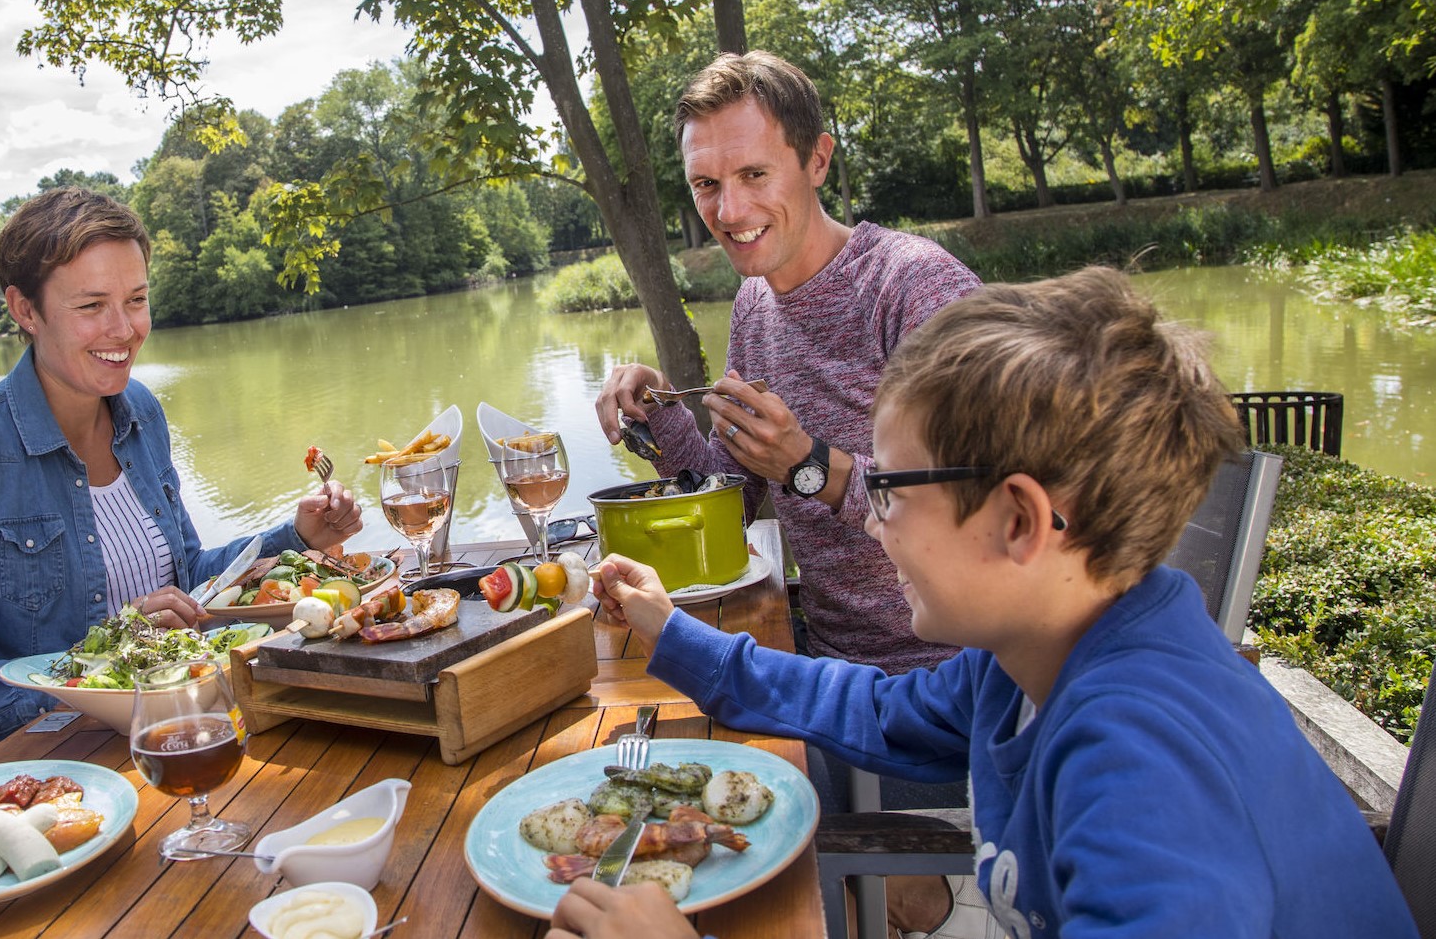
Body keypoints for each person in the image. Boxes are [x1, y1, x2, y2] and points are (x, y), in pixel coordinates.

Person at [578, 268, 1419, 938]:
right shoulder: (1037, 656)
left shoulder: (1142, 770)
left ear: (1019, 519)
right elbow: (870, 706)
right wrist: (669, 628)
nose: (869, 519)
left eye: (890, 489)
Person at [0, 187, 363, 750]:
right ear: (25, 310)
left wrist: (295, 537)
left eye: (136, 299)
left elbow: (185, 579)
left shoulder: (140, 411)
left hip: (188, 726)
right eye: (91, 306)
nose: (124, 329)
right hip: (61, 762)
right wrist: (107, 652)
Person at [594, 50, 980, 676]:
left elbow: (979, 507)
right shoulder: (754, 302)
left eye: (754, 174)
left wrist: (807, 466)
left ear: (818, 159)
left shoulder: (916, 287)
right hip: (824, 661)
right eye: (707, 184)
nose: (729, 212)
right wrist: (662, 409)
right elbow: (730, 502)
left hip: (949, 679)